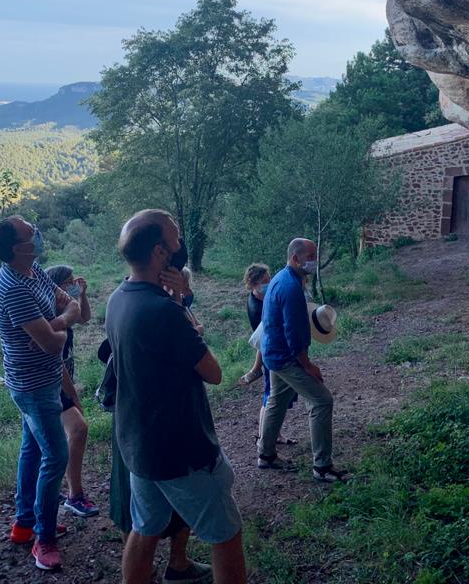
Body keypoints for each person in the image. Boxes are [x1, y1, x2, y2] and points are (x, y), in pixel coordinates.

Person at [107, 209, 246, 584]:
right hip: (181, 450)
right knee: (226, 535)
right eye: (175, 239)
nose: (181, 245)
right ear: (159, 253)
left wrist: (177, 300)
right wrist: (181, 302)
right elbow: (213, 373)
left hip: (141, 447)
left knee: (146, 528)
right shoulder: (163, 311)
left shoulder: (119, 298)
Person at [0, 215, 83, 571]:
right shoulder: (13, 287)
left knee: (32, 450)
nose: (38, 236)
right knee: (55, 456)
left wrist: (63, 317)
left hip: (41, 379)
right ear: (17, 248)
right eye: (31, 234)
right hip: (33, 384)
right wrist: (63, 320)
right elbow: (51, 343)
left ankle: (24, 523)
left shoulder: (33, 269)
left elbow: (64, 303)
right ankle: (44, 540)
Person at [257, 239, 348, 483]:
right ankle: (322, 467)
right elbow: (294, 334)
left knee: (278, 399)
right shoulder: (290, 288)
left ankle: (265, 455)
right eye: (310, 255)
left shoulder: (282, 278)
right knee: (321, 401)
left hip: (272, 352)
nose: (314, 260)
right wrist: (308, 365)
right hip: (284, 357)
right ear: (296, 259)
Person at [44, 265, 97, 518]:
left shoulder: (65, 312)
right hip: (53, 384)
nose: (71, 285)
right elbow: (57, 362)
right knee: (78, 429)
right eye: (66, 283)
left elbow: (85, 318)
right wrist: (74, 395)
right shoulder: (49, 318)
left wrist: (82, 295)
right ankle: (75, 495)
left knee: (50, 443)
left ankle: (53, 493)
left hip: (59, 383)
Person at [239, 263, 297, 446]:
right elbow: (262, 342)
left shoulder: (261, 299)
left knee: (274, 397)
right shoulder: (258, 307)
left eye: (269, 279)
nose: (269, 283)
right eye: (265, 281)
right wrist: (256, 368)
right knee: (271, 397)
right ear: (253, 284)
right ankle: (264, 437)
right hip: (271, 355)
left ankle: (273, 434)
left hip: (271, 353)